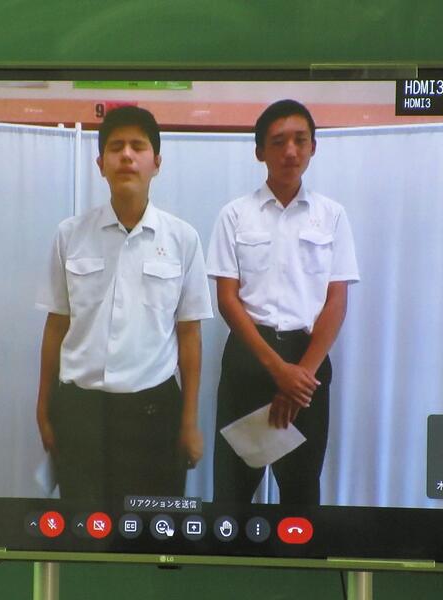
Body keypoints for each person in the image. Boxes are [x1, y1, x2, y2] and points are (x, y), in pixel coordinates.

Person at [35, 106, 213, 505]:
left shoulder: (183, 239)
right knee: (84, 526)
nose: (127, 156)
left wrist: (189, 421)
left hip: (154, 412)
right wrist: (43, 407)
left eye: (138, 146)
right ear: (100, 164)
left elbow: (189, 334)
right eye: (116, 148)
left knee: (150, 529)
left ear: (156, 162)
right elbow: (56, 325)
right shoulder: (70, 235)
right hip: (80, 410)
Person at [207, 99, 360, 505]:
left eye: (300, 140)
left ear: (313, 147)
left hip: (308, 362)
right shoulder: (235, 215)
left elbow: (337, 300)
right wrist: (278, 371)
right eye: (278, 142)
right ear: (260, 152)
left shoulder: (332, 216)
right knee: (232, 493)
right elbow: (227, 299)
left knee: (301, 492)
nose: (290, 151)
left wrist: (299, 379)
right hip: (249, 358)